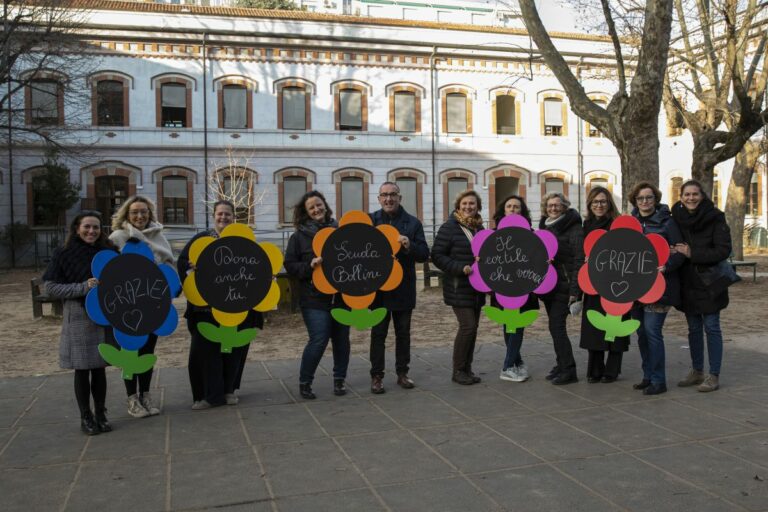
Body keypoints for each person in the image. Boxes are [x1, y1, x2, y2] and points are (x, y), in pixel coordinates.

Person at [177, 200, 263, 409]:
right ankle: (207, 395)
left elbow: (257, 267)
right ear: (213, 215)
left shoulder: (243, 240)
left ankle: (229, 390)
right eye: (220, 214)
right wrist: (192, 269)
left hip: (236, 305)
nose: (223, 217)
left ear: (234, 217)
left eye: (227, 214)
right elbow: (182, 264)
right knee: (204, 352)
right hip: (206, 309)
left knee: (233, 350)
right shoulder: (202, 239)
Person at [43, 211, 116, 435]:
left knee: (100, 368)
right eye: (87, 227)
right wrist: (83, 287)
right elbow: (50, 287)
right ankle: (86, 416)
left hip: (104, 316)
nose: (91, 231)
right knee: (83, 369)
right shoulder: (63, 253)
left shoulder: (109, 251)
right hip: (79, 316)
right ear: (77, 228)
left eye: (96, 227)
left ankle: (101, 413)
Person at [109, 196, 174, 418]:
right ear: (127, 214)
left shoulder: (159, 237)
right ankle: (132, 399)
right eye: (135, 212)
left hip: (152, 306)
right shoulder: (118, 238)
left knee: (147, 352)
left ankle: (145, 394)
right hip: (126, 306)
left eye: (144, 212)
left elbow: (168, 267)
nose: (140, 216)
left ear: (150, 214)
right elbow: (109, 270)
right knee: (130, 352)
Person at [284, 191, 351, 399]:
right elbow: (290, 265)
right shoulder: (298, 237)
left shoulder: (339, 231)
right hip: (313, 299)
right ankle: (305, 382)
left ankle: (339, 381)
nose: (316, 209)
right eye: (311, 207)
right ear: (306, 212)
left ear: (325, 205)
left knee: (342, 340)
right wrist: (309, 266)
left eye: (319, 205)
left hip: (340, 298)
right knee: (319, 340)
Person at [671, 179, 732, 392]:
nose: (690, 198)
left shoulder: (716, 218)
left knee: (712, 327)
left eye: (694, 194)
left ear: (702, 196)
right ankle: (697, 371)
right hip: (688, 282)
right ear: (681, 197)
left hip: (710, 281)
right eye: (686, 194)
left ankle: (713, 374)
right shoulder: (676, 218)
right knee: (694, 329)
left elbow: (723, 250)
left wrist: (692, 253)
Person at [369, 182, 429, 394]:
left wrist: (409, 245)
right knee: (378, 334)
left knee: (403, 333)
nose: (389, 199)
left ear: (400, 198)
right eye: (384, 195)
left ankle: (402, 373)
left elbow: (424, 254)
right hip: (378, 289)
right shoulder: (370, 221)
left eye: (393, 194)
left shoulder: (412, 223)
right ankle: (377, 376)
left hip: (403, 288)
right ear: (379, 199)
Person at [629, 182, 685, 395]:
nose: (645, 201)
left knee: (652, 332)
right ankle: (648, 376)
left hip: (659, 287)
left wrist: (667, 265)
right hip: (634, 288)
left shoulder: (667, 222)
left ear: (656, 199)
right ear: (635, 201)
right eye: (641, 198)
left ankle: (659, 380)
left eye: (649, 197)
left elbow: (680, 252)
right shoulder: (630, 222)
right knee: (641, 333)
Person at [431, 190, 487, 385]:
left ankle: (467, 369)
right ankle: (458, 370)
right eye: (464, 204)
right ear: (458, 206)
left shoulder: (480, 229)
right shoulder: (449, 228)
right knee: (468, 326)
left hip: (477, 288)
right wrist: (459, 268)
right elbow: (437, 255)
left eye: (472, 204)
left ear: (478, 207)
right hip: (458, 286)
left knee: (473, 328)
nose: (468, 207)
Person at [579, 187, 628, 384]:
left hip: (617, 282)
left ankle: (612, 370)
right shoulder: (586, 226)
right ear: (590, 205)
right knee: (594, 327)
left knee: (614, 326)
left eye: (603, 201)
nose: (599, 205)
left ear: (609, 204)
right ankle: (595, 369)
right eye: (595, 202)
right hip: (593, 284)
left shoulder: (618, 225)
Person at [539, 192, 583, 385]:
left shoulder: (574, 228)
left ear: (565, 206)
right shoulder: (544, 226)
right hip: (549, 286)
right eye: (550, 205)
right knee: (554, 327)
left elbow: (578, 260)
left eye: (557, 205)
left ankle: (569, 369)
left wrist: (575, 291)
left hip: (564, 286)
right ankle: (561, 364)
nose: (553, 208)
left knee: (557, 327)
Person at [493, 195, 538, 383]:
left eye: (516, 207)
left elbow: (537, 258)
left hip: (524, 286)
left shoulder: (531, 234)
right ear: (503, 211)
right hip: (502, 286)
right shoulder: (494, 235)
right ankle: (510, 365)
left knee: (516, 325)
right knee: (509, 325)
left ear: (522, 211)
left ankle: (513, 364)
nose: (512, 209)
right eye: (509, 206)